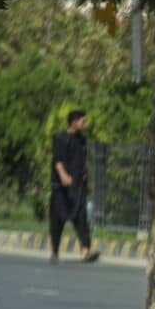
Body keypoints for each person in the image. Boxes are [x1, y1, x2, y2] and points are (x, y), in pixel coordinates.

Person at [50, 110, 100, 265]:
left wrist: (85, 178)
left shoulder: (82, 140)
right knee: (57, 220)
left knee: (82, 219)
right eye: (82, 121)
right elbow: (57, 160)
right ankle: (55, 253)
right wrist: (63, 175)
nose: (85, 124)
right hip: (61, 188)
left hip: (78, 187)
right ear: (73, 122)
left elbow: (82, 161)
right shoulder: (60, 138)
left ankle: (85, 252)